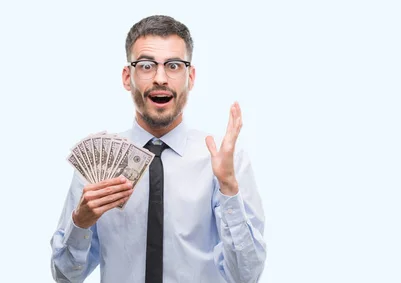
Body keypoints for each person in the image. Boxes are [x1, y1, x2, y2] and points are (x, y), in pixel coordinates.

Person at [50, 15, 267, 283]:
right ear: (128, 77)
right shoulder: (99, 160)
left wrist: (229, 189)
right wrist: (80, 223)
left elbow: (247, 276)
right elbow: (64, 276)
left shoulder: (224, 161)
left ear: (191, 76)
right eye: (146, 65)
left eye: (174, 66)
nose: (160, 78)